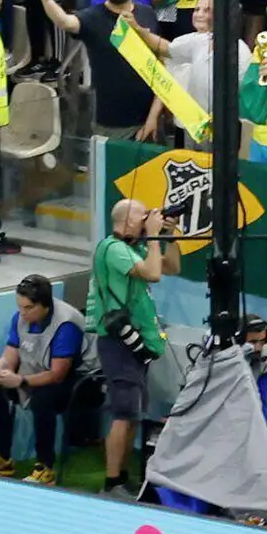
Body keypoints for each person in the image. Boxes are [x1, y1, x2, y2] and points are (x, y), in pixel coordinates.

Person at [87, 197, 168, 498]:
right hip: (118, 342)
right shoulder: (113, 248)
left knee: (133, 413)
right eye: (142, 216)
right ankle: (111, 483)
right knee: (123, 413)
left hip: (135, 342)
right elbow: (153, 274)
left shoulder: (135, 247)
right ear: (126, 221)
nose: (146, 219)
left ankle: (121, 476)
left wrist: (168, 236)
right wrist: (156, 236)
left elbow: (170, 266)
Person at [0, 274, 81, 479]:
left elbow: (57, 374)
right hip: (33, 373)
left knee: (43, 399)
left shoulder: (66, 324)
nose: (22, 313)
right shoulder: (20, 318)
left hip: (73, 382)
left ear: (45, 306)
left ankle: (45, 466)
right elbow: (10, 355)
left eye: (28, 308)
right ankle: (2, 457)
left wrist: (21, 381)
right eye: (20, 307)